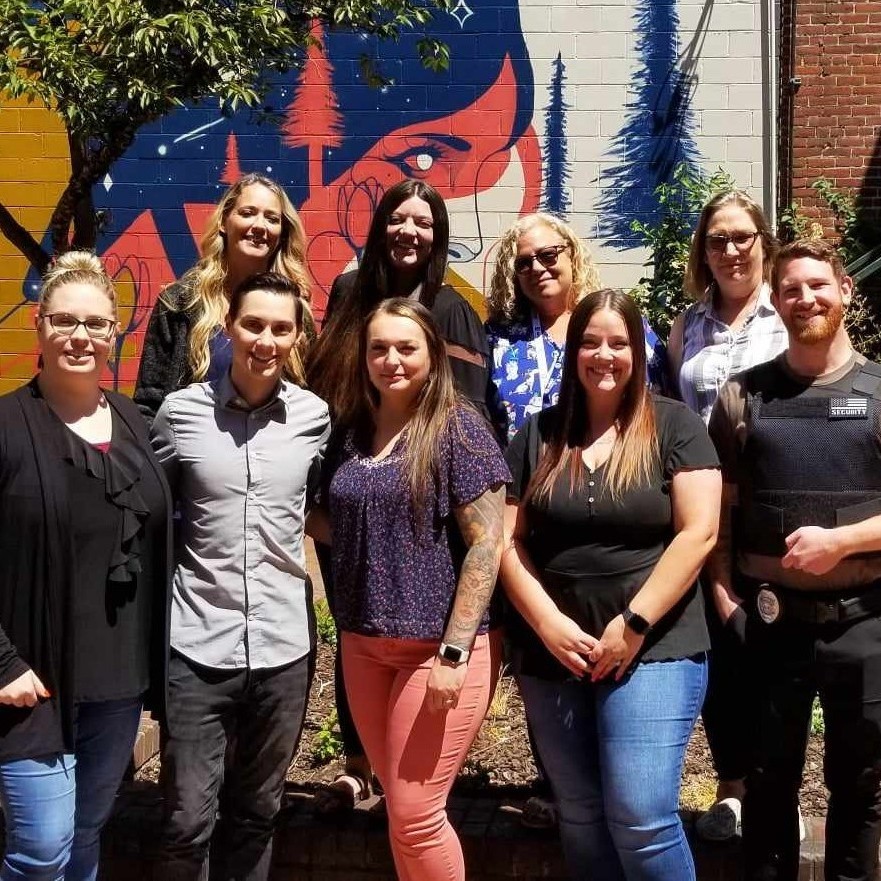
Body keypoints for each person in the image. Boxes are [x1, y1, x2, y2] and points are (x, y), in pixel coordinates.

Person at [501, 289, 721, 881]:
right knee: (579, 811)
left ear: (638, 352)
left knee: (642, 815)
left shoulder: (674, 426)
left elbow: (699, 534)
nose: (604, 355)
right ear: (573, 352)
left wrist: (635, 623)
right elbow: (506, 542)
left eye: (618, 343)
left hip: (655, 647)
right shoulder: (540, 434)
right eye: (590, 342)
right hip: (555, 654)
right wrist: (547, 624)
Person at [306, 179, 492, 815]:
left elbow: (469, 409)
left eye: (423, 222)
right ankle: (361, 763)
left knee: (408, 630)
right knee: (357, 620)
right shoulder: (348, 292)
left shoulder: (452, 308)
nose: (409, 232)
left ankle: (414, 776)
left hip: (418, 502)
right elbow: (324, 380)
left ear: (438, 236)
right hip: (351, 483)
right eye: (397, 219)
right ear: (379, 224)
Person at [309, 299, 508, 881]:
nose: (390, 359)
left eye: (405, 347)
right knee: (400, 808)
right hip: (364, 646)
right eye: (378, 347)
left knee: (418, 812)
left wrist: (454, 653)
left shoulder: (459, 428)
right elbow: (339, 522)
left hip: (435, 652)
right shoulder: (352, 432)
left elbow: (485, 545)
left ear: (432, 354)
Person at [707, 239, 881, 881]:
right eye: (790, 289)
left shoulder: (880, 392)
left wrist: (843, 542)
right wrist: (727, 604)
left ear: (845, 291)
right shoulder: (742, 398)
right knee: (767, 785)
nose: (804, 298)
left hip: (865, 624)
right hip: (769, 628)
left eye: (818, 285)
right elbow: (717, 515)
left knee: (861, 789)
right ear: (773, 301)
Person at [150, 272, 329, 881]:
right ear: (229, 328)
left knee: (256, 815)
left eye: (282, 328)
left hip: (282, 650)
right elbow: (148, 512)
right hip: (197, 644)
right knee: (184, 824)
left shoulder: (314, 419)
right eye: (254, 324)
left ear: (297, 335)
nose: (266, 340)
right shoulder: (180, 414)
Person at [0, 251, 171, 880]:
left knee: (86, 835)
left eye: (96, 324)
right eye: (64, 320)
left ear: (116, 332)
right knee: (41, 849)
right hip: (31, 681)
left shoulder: (131, 420)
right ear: (38, 326)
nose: (80, 336)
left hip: (117, 679)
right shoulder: (7, 426)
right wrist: (2, 663)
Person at [667, 190, 788, 842]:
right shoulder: (686, 325)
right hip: (701, 510)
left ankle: (777, 784)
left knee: (777, 649)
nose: (731, 250)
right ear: (702, 251)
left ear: (762, 243)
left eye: (742, 236)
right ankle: (732, 786)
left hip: (774, 503)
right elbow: (665, 408)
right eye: (717, 239)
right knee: (719, 647)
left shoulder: (787, 314)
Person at [134, 172, 310, 425]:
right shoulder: (180, 302)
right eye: (248, 213)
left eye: (271, 218)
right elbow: (148, 402)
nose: (260, 225)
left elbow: (308, 399)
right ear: (223, 222)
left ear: (282, 232)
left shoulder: (294, 308)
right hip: (191, 457)